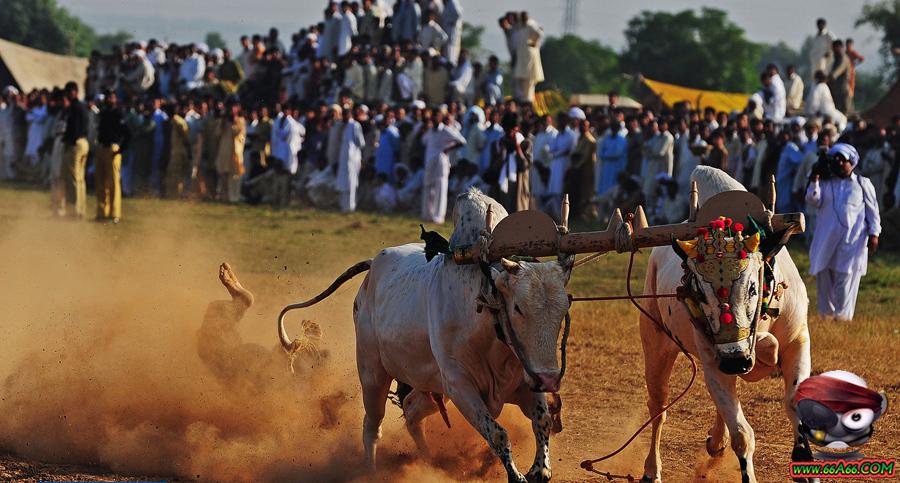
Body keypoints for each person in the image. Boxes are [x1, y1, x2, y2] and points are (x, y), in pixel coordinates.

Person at [806, 143, 880, 321]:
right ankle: (826, 317)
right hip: (826, 239)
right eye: (836, 159)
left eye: (843, 160)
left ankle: (843, 319)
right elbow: (812, 200)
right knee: (824, 277)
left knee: (845, 278)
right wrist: (815, 179)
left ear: (852, 162)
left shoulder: (863, 184)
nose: (839, 163)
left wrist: (874, 234)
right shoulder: (825, 182)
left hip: (851, 242)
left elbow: (873, 212)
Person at [421, 112, 465, 223]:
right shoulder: (430, 131)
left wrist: (448, 148)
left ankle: (438, 217)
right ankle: (427, 214)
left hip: (441, 161)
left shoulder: (445, 130)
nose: (435, 119)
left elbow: (462, 141)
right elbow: (423, 141)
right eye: (433, 117)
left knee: (441, 187)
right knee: (428, 187)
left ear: (441, 118)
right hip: (429, 162)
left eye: (437, 117)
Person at [95, 91, 127, 222]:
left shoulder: (118, 113)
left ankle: (114, 214)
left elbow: (127, 133)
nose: (109, 99)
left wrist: (120, 149)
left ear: (115, 99)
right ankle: (102, 212)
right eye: (107, 97)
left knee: (113, 183)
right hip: (102, 147)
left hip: (113, 149)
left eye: (111, 97)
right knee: (101, 183)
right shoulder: (103, 113)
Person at [61, 82, 89, 218]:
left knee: (72, 178)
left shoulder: (74, 107)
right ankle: (81, 209)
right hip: (84, 142)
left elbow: (74, 129)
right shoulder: (82, 106)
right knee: (80, 179)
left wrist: (69, 141)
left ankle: (74, 210)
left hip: (75, 144)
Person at [546, 108, 579, 219]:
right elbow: (552, 149)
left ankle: (564, 216)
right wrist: (557, 153)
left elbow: (569, 150)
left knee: (562, 190)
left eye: (563, 120)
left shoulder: (571, 135)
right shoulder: (558, 134)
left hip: (565, 164)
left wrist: (558, 153)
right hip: (556, 164)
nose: (560, 122)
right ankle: (557, 216)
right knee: (555, 190)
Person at [216, 100, 246, 203]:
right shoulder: (224, 121)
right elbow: (217, 133)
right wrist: (223, 121)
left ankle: (234, 198)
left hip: (236, 153)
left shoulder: (241, 121)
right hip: (224, 153)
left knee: (235, 177)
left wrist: (235, 120)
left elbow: (239, 135)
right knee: (224, 176)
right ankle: (225, 197)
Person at [336, 106, 365, 212]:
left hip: (353, 158)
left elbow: (361, 142)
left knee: (351, 182)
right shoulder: (342, 126)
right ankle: (343, 206)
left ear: (350, 115)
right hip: (344, 158)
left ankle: (351, 207)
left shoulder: (355, 125)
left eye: (346, 114)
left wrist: (356, 155)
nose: (344, 117)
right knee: (343, 182)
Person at [512, 11, 544, 104]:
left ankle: (528, 102)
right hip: (522, 56)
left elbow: (540, 34)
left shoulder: (531, 25)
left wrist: (534, 43)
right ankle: (524, 100)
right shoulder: (520, 26)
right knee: (521, 81)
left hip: (529, 56)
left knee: (529, 81)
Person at [641, 119, 674, 208]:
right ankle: (650, 216)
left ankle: (656, 217)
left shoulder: (668, 137)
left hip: (663, 170)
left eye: (663, 124)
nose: (661, 126)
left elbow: (660, 152)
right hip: (653, 168)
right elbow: (646, 148)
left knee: (659, 195)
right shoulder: (658, 136)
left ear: (667, 125)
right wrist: (649, 152)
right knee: (648, 193)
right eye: (659, 124)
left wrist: (649, 152)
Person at [828, 40, 851, 114]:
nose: (834, 50)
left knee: (844, 114)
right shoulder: (836, 59)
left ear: (840, 48)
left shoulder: (843, 59)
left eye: (835, 48)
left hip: (842, 91)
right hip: (835, 91)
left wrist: (823, 80)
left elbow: (834, 75)